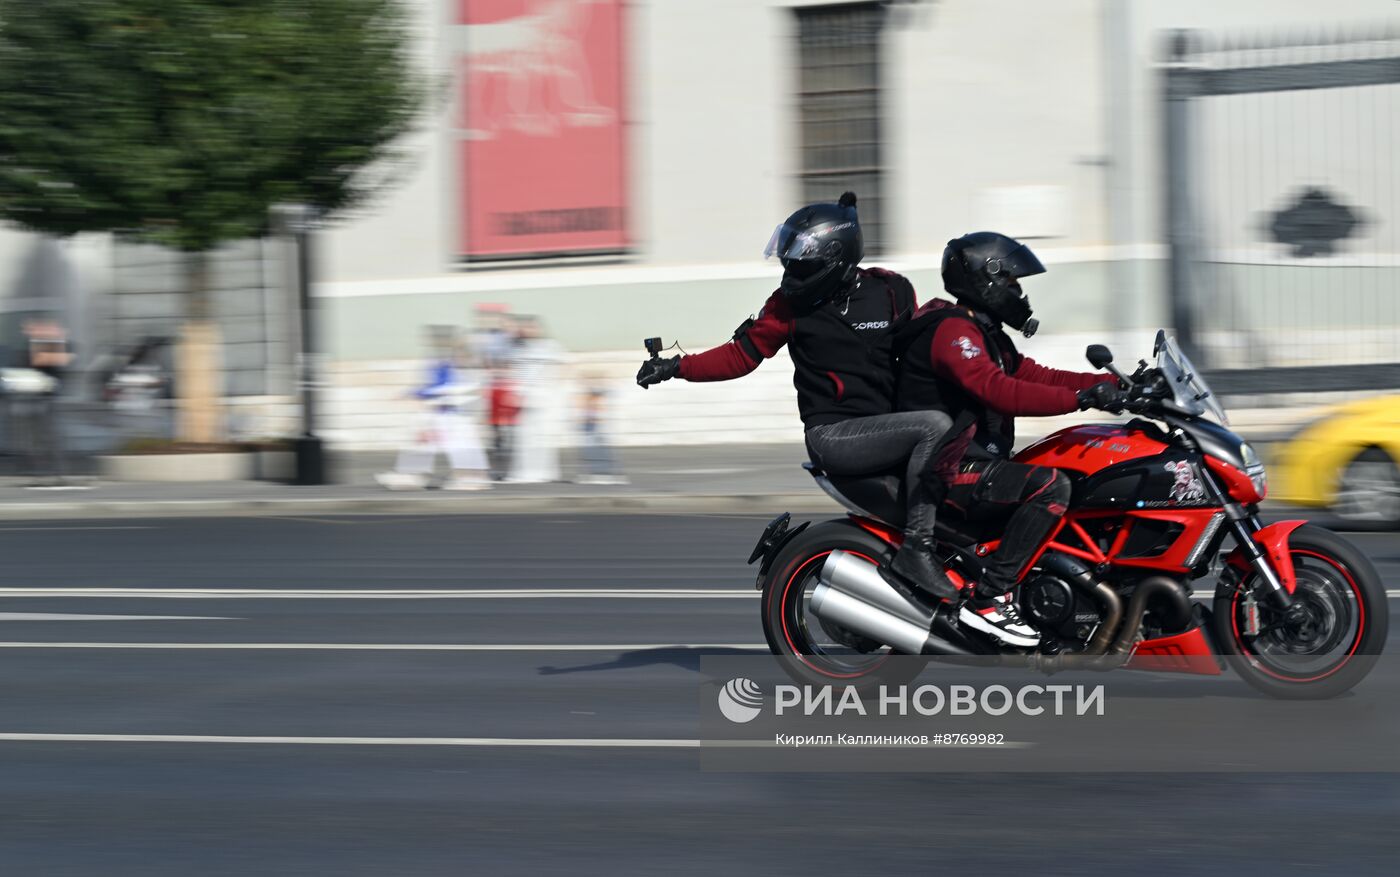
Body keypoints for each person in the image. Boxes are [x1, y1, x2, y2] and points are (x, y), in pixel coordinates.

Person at [636, 193, 957, 599]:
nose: (790, 273)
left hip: (890, 428)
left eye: (801, 264)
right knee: (935, 427)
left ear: (837, 258)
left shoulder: (891, 289)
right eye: (789, 263)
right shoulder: (787, 306)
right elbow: (742, 355)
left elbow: (917, 352)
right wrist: (676, 367)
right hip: (836, 434)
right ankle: (918, 550)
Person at [893, 231, 1127, 646]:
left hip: (978, 460)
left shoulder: (986, 334)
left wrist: (1118, 383)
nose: (1020, 293)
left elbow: (1036, 375)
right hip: (951, 468)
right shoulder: (953, 331)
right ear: (988, 279)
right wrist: (1082, 398)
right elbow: (996, 389)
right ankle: (988, 598)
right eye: (1014, 282)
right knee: (1051, 486)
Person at [376, 327, 491, 491]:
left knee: (457, 444)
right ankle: (414, 475)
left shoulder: (460, 367)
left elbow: (445, 389)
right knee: (427, 441)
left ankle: (471, 478)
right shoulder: (443, 363)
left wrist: (413, 393)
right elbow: (438, 387)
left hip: (453, 414)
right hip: (446, 413)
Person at [507, 316, 565, 484]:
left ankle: (545, 472)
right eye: (525, 328)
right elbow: (514, 370)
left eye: (531, 327)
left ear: (539, 329)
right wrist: (515, 391)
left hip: (543, 395)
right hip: (524, 396)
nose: (527, 331)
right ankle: (525, 472)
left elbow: (562, 366)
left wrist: (552, 389)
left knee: (542, 435)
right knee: (524, 435)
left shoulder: (550, 346)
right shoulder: (518, 349)